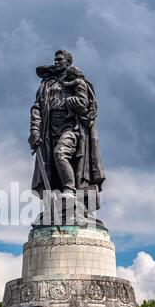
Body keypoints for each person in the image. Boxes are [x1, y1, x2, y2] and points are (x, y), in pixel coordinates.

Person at [28, 49, 105, 207]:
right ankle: (58, 203)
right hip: (49, 130)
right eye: (55, 59)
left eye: (60, 60)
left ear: (68, 63)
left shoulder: (76, 81)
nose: (57, 62)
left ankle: (70, 190)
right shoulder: (46, 84)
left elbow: (87, 106)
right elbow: (36, 108)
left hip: (71, 126)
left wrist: (74, 103)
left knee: (60, 153)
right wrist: (35, 130)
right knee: (52, 168)